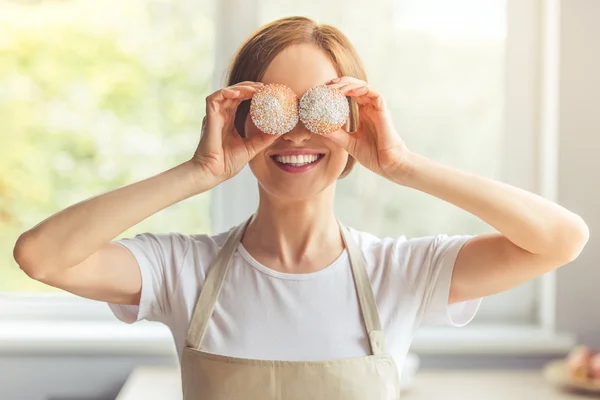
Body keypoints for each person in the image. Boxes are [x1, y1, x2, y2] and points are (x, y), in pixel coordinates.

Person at [13, 16, 589, 400]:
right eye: (272, 110)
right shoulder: (181, 271)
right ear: (239, 119)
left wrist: (402, 165)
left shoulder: (402, 272)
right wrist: (199, 173)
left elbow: (562, 238)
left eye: (319, 112)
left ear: (353, 124)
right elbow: (41, 256)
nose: (292, 137)